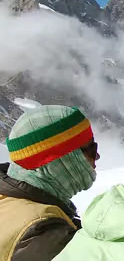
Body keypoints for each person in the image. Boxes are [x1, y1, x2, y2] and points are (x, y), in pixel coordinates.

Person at [0, 105, 100, 261]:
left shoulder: (7, 199)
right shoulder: (41, 234)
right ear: (61, 160)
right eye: (90, 149)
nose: (97, 156)